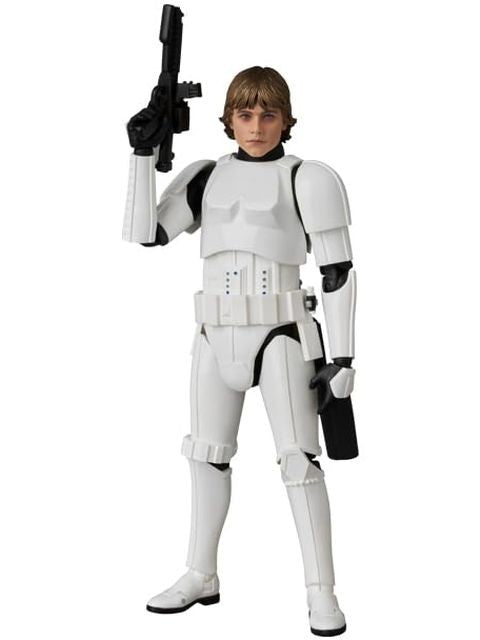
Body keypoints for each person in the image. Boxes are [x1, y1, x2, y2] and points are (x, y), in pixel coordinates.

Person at [123, 66, 356, 637]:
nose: (255, 127)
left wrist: (344, 358)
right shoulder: (206, 177)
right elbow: (146, 233)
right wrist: (140, 154)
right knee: (205, 455)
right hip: (213, 334)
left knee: (299, 462)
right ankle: (200, 573)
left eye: (268, 115)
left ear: (287, 120)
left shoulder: (308, 178)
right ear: (227, 120)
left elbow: (338, 271)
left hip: (281, 333)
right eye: (244, 115)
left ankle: (321, 591)